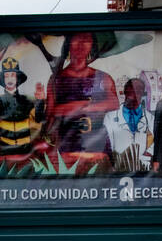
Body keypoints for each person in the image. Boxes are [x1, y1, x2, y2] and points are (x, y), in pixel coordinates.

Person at [42, 31, 117, 170]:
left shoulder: (103, 77)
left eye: (86, 39)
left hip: (97, 146)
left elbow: (113, 103)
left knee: (101, 187)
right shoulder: (56, 80)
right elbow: (51, 113)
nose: (81, 44)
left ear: (92, 45)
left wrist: (84, 106)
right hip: (66, 147)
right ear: (68, 44)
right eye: (76, 39)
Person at [0, 57, 45, 161]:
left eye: (13, 75)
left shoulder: (26, 101)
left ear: (17, 78)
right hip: (4, 149)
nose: (10, 79)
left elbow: (39, 119)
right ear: (3, 79)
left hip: (26, 150)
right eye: (6, 76)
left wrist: (40, 100)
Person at [102, 77, 154, 172]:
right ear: (124, 91)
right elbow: (108, 145)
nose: (134, 91)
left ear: (142, 94)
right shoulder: (110, 117)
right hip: (118, 168)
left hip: (143, 169)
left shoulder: (150, 118)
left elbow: (155, 142)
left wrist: (146, 156)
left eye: (138, 89)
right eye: (131, 87)